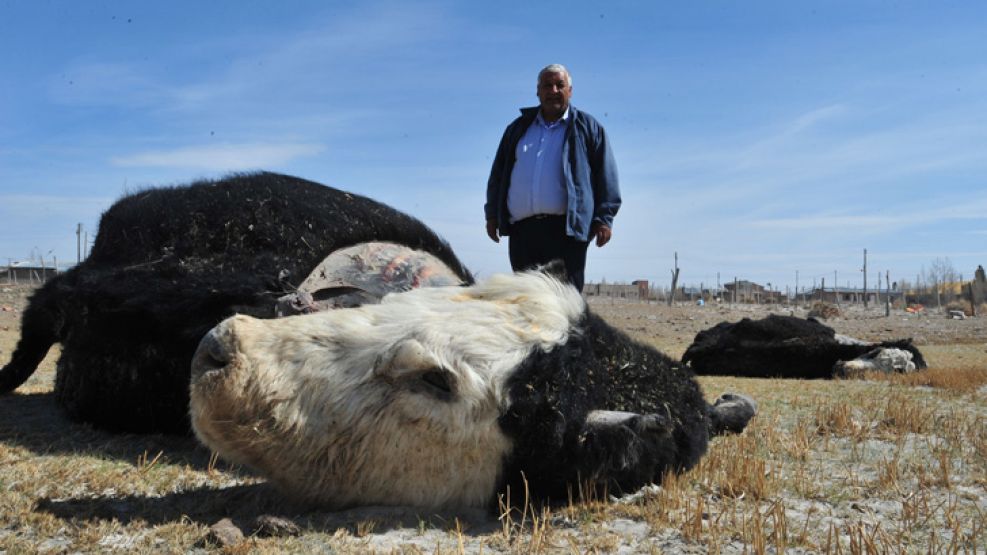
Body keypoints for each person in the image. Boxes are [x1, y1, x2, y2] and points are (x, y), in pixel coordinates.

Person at [484, 64, 620, 292]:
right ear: (538, 91)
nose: (553, 90)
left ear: (570, 91)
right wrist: (492, 215)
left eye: (560, 85)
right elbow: (498, 175)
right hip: (522, 233)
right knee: (526, 301)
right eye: (547, 85)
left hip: (567, 231)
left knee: (564, 303)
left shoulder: (588, 128)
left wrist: (604, 218)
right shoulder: (517, 129)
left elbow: (606, 175)